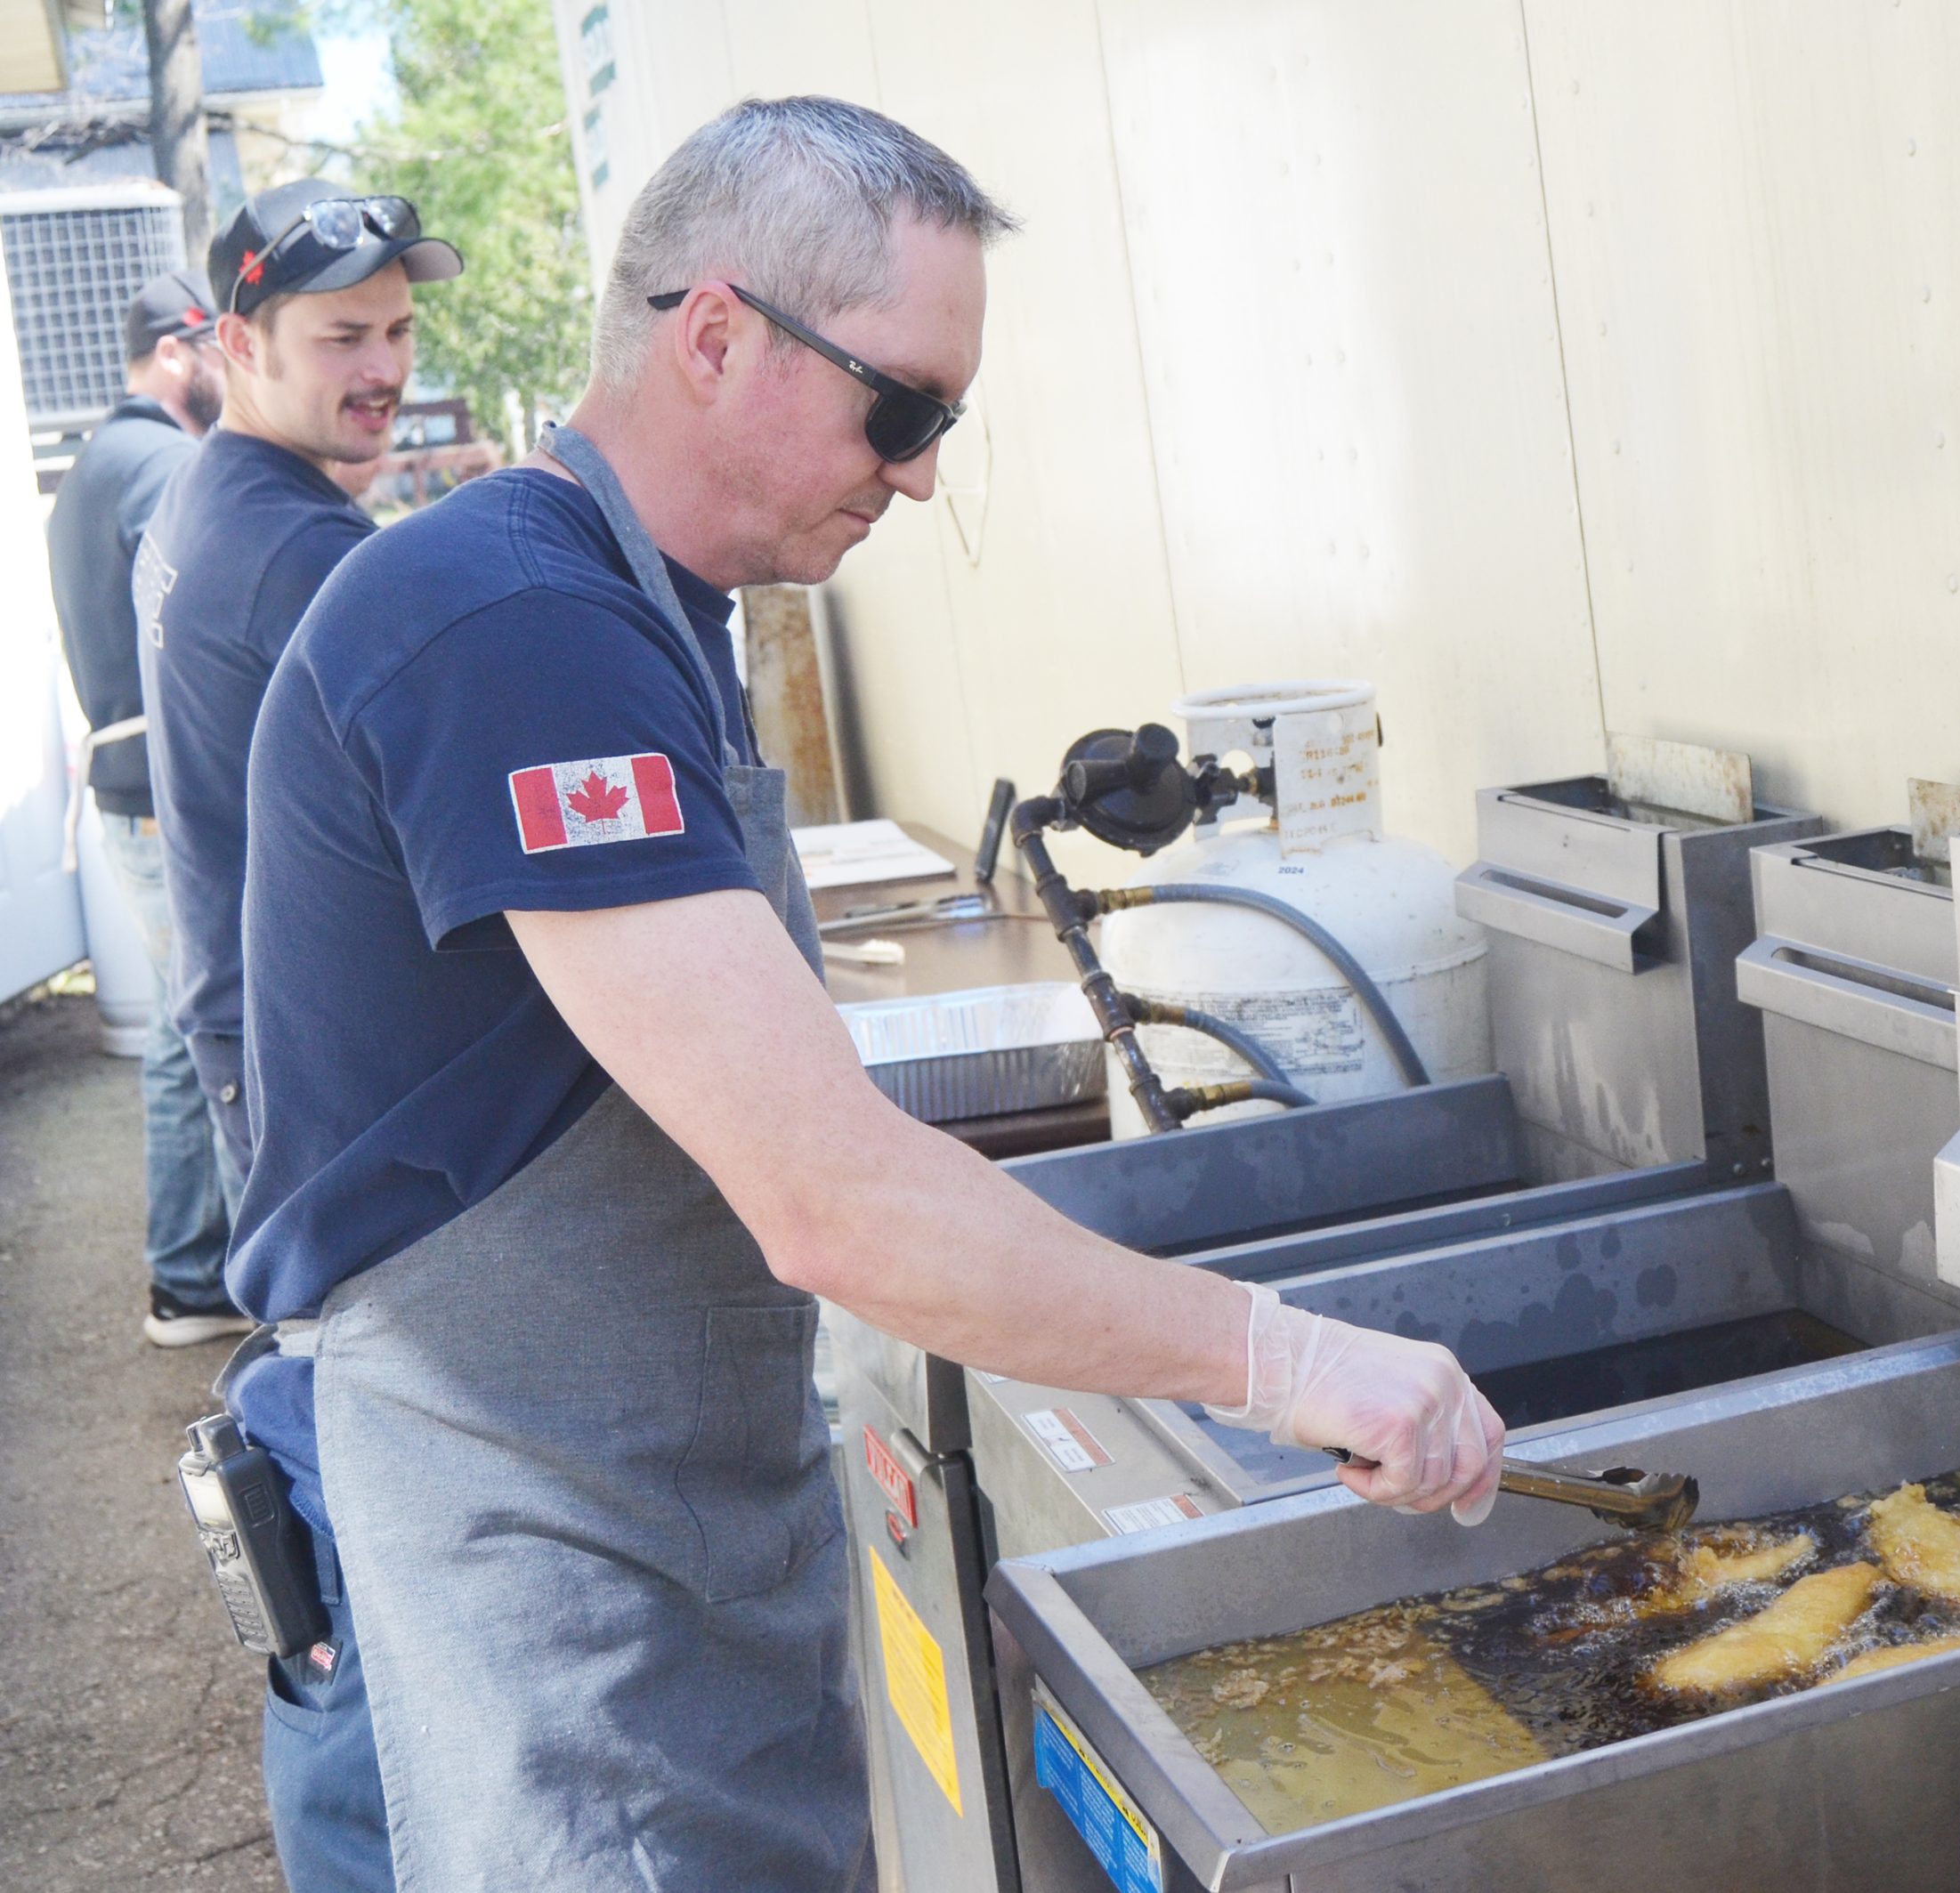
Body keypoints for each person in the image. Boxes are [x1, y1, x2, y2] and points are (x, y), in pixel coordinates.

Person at [226, 97, 1505, 1890]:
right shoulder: (512, 628)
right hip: (543, 1575)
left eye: (942, 425)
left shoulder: (652, 614)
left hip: (674, 1519)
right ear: (716, 334)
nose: (917, 476)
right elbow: (832, 1199)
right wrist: (1284, 1360)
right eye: (897, 410)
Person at [136, 182, 462, 1193]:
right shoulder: (301, 554)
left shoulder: (204, 489)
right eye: (344, 338)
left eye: (400, 331)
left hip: (246, 1009)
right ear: (240, 343)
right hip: (310, 1050)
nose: (385, 371)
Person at [47, 268, 247, 1346]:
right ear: (176, 351)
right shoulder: (169, 463)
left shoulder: (93, 466)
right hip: (170, 793)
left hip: (127, 789)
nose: (231, 368)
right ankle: (254, 1293)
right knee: (224, 1033)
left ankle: (189, 1276)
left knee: (184, 1028)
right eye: (218, 347)